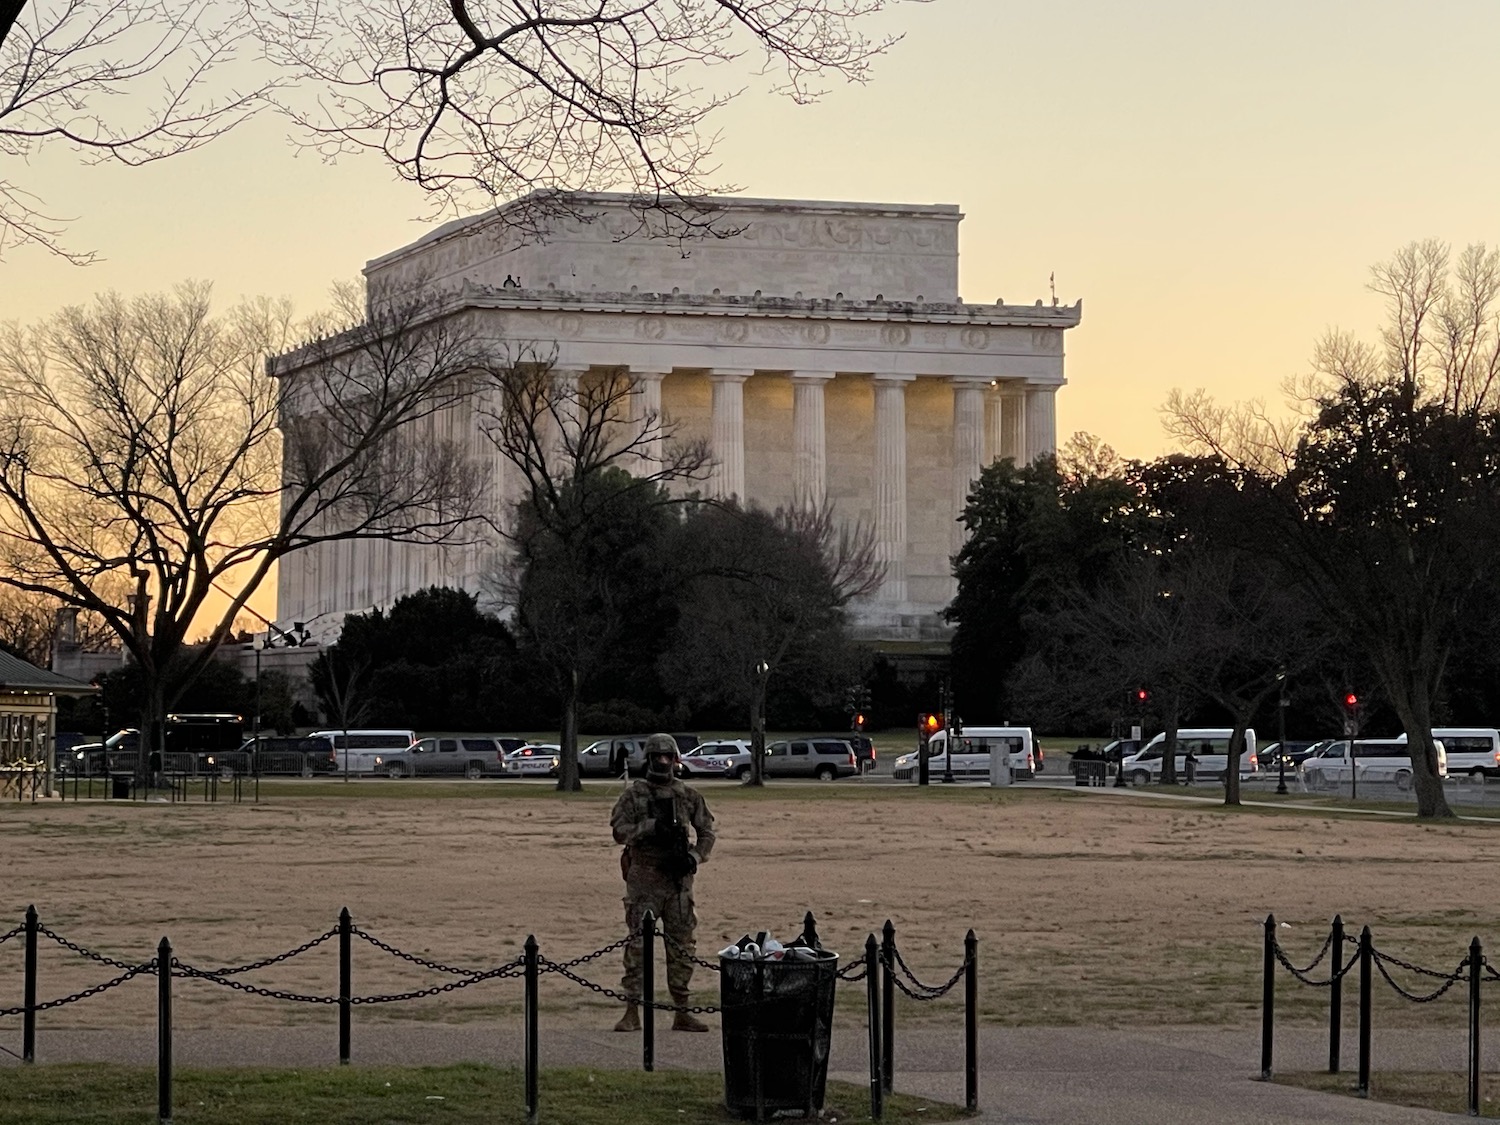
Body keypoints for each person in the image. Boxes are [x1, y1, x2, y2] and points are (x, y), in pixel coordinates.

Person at [610, 733, 716, 1032]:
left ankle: (682, 1010)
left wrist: (695, 857)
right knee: (637, 948)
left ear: (676, 759)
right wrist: (649, 828)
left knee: (682, 947)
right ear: (648, 759)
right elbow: (619, 831)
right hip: (644, 879)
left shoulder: (688, 795)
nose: (662, 762)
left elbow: (707, 831)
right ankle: (632, 1011)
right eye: (657, 756)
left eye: (667, 757)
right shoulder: (634, 795)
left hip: (678, 882)